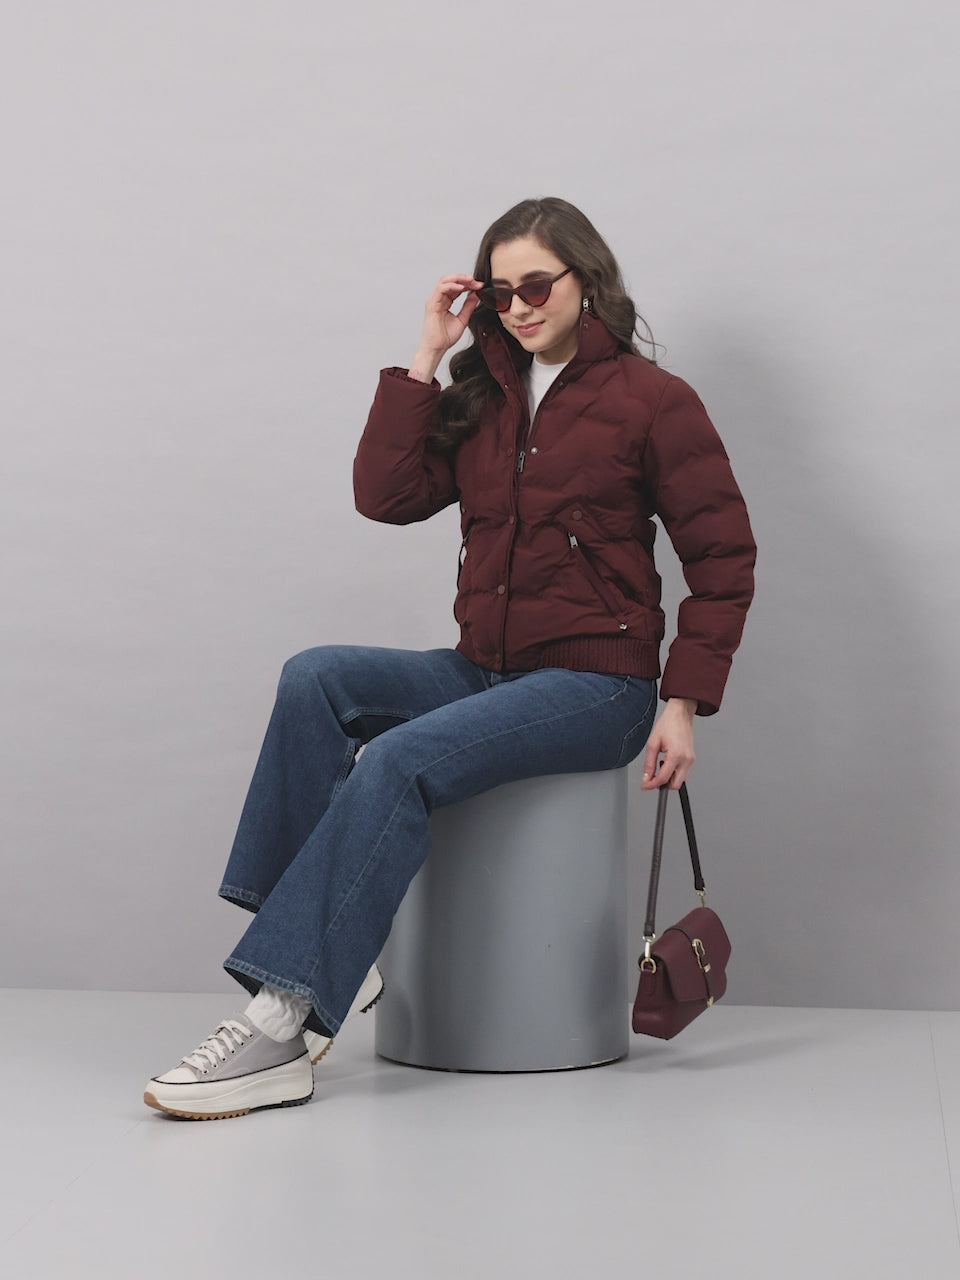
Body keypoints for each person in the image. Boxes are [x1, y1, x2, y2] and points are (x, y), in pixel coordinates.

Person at [144, 197, 756, 1120]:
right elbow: (384, 497)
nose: (520, 307)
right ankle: (320, 952)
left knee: (397, 760)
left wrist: (682, 703)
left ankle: (282, 1021)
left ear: (586, 280)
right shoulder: (486, 396)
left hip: (599, 683)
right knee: (316, 677)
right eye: (501, 293)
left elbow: (724, 558)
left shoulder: (653, 401)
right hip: (485, 666)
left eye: (537, 285)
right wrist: (427, 356)